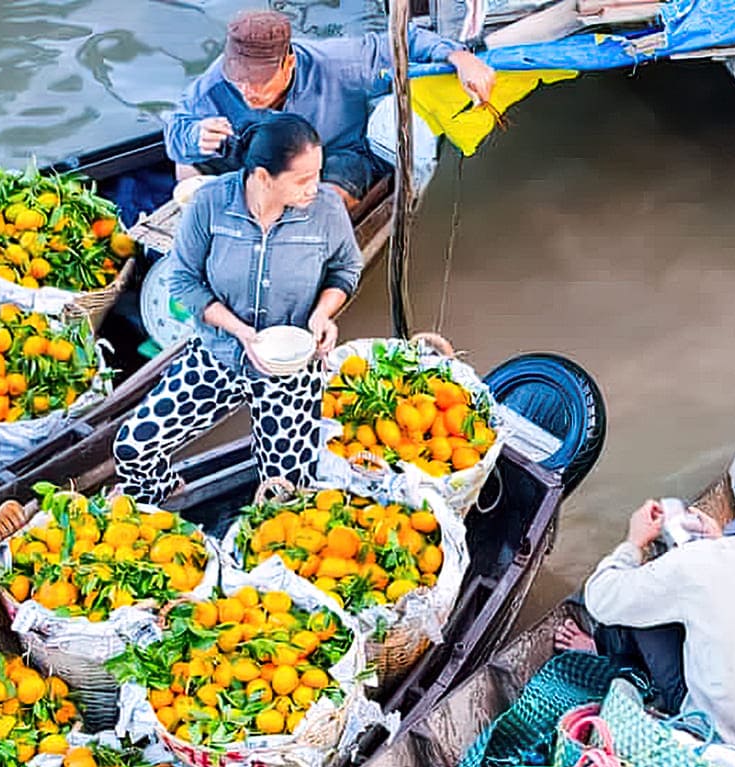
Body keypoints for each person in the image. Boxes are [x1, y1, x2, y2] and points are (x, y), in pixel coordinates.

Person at [113, 114, 360, 503]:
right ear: (263, 177)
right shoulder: (211, 203)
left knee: (285, 491)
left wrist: (322, 314)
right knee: (133, 447)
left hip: (290, 367)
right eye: (301, 180)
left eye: (317, 174)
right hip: (219, 354)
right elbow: (184, 280)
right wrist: (242, 333)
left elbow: (346, 268)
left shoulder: (327, 210)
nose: (315, 187)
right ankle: (163, 501)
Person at [556, 435, 735, 758]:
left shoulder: (697, 564)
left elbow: (600, 598)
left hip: (721, 738)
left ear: (732, 489)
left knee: (644, 605)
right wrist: (719, 541)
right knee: (693, 602)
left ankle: (608, 654)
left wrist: (634, 542)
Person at [165, 9, 497, 210]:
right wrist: (193, 136)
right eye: (239, 80)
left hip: (334, 155)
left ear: (289, 63)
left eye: (260, 81)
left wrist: (460, 57)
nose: (248, 90)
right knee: (187, 165)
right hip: (259, 158)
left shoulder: (339, 64)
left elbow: (405, 39)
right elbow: (176, 132)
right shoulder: (215, 80)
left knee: (328, 202)